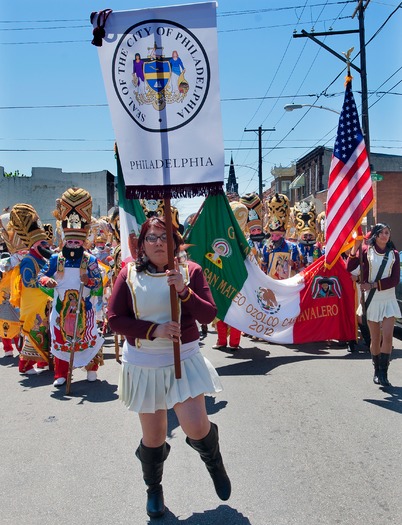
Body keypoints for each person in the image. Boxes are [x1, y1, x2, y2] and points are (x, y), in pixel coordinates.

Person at [107, 216, 231, 518]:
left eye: (165, 237)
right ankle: (154, 488)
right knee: (154, 437)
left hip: (183, 359)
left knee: (197, 427)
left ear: (175, 241)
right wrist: (154, 330)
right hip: (144, 363)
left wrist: (184, 292)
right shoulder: (129, 274)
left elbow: (208, 315)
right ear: (142, 245)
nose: (158, 243)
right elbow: (114, 318)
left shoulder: (191, 271)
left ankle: (213, 460)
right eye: (152, 237)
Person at [39, 188, 104, 387]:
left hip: (85, 307)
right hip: (61, 307)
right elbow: (40, 276)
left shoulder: (91, 260)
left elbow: (99, 284)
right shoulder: (54, 259)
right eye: (70, 241)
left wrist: (89, 280)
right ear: (64, 240)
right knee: (61, 339)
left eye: (78, 241)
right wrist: (46, 282)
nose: (74, 245)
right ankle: (61, 373)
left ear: (83, 241)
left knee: (89, 336)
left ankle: (91, 368)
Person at [347, 223, 400, 386]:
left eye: (387, 232)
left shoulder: (394, 254)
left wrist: (373, 285)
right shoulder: (365, 251)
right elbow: (350, 268)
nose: (385, 235)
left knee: (388, 337)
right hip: (371, 300)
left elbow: (394, 279)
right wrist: (353, 251)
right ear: (375, 235)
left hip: (388, 298)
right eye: (382, 233)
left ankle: (384, 372)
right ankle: (377, 370)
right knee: (375, 338)